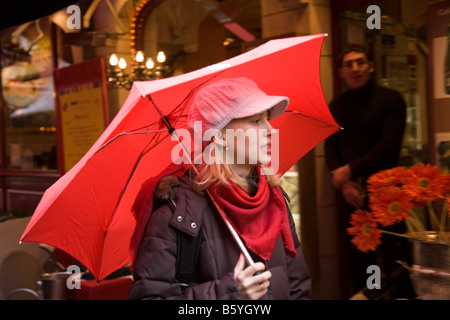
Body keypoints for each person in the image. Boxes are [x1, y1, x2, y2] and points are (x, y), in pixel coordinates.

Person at [127, 77, 311, 300]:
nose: (270, 130)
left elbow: (298, 288)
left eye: (267, 118)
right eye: (255, 121)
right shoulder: (179, 212)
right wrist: (229, 293)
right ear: (221, 136)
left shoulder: (274, 199)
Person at [325, 46, 410, 299]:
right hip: (351, 194)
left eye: (360, 62)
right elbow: (330, 147)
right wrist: (345, 183)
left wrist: (348, 170)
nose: (355, 68)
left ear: (370, 66)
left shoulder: (391, 99)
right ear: (340, 71)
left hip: (388, 194)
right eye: (349, 64)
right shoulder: (337, 105)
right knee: (358, 260)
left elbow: (389, 146)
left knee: (397, 259)